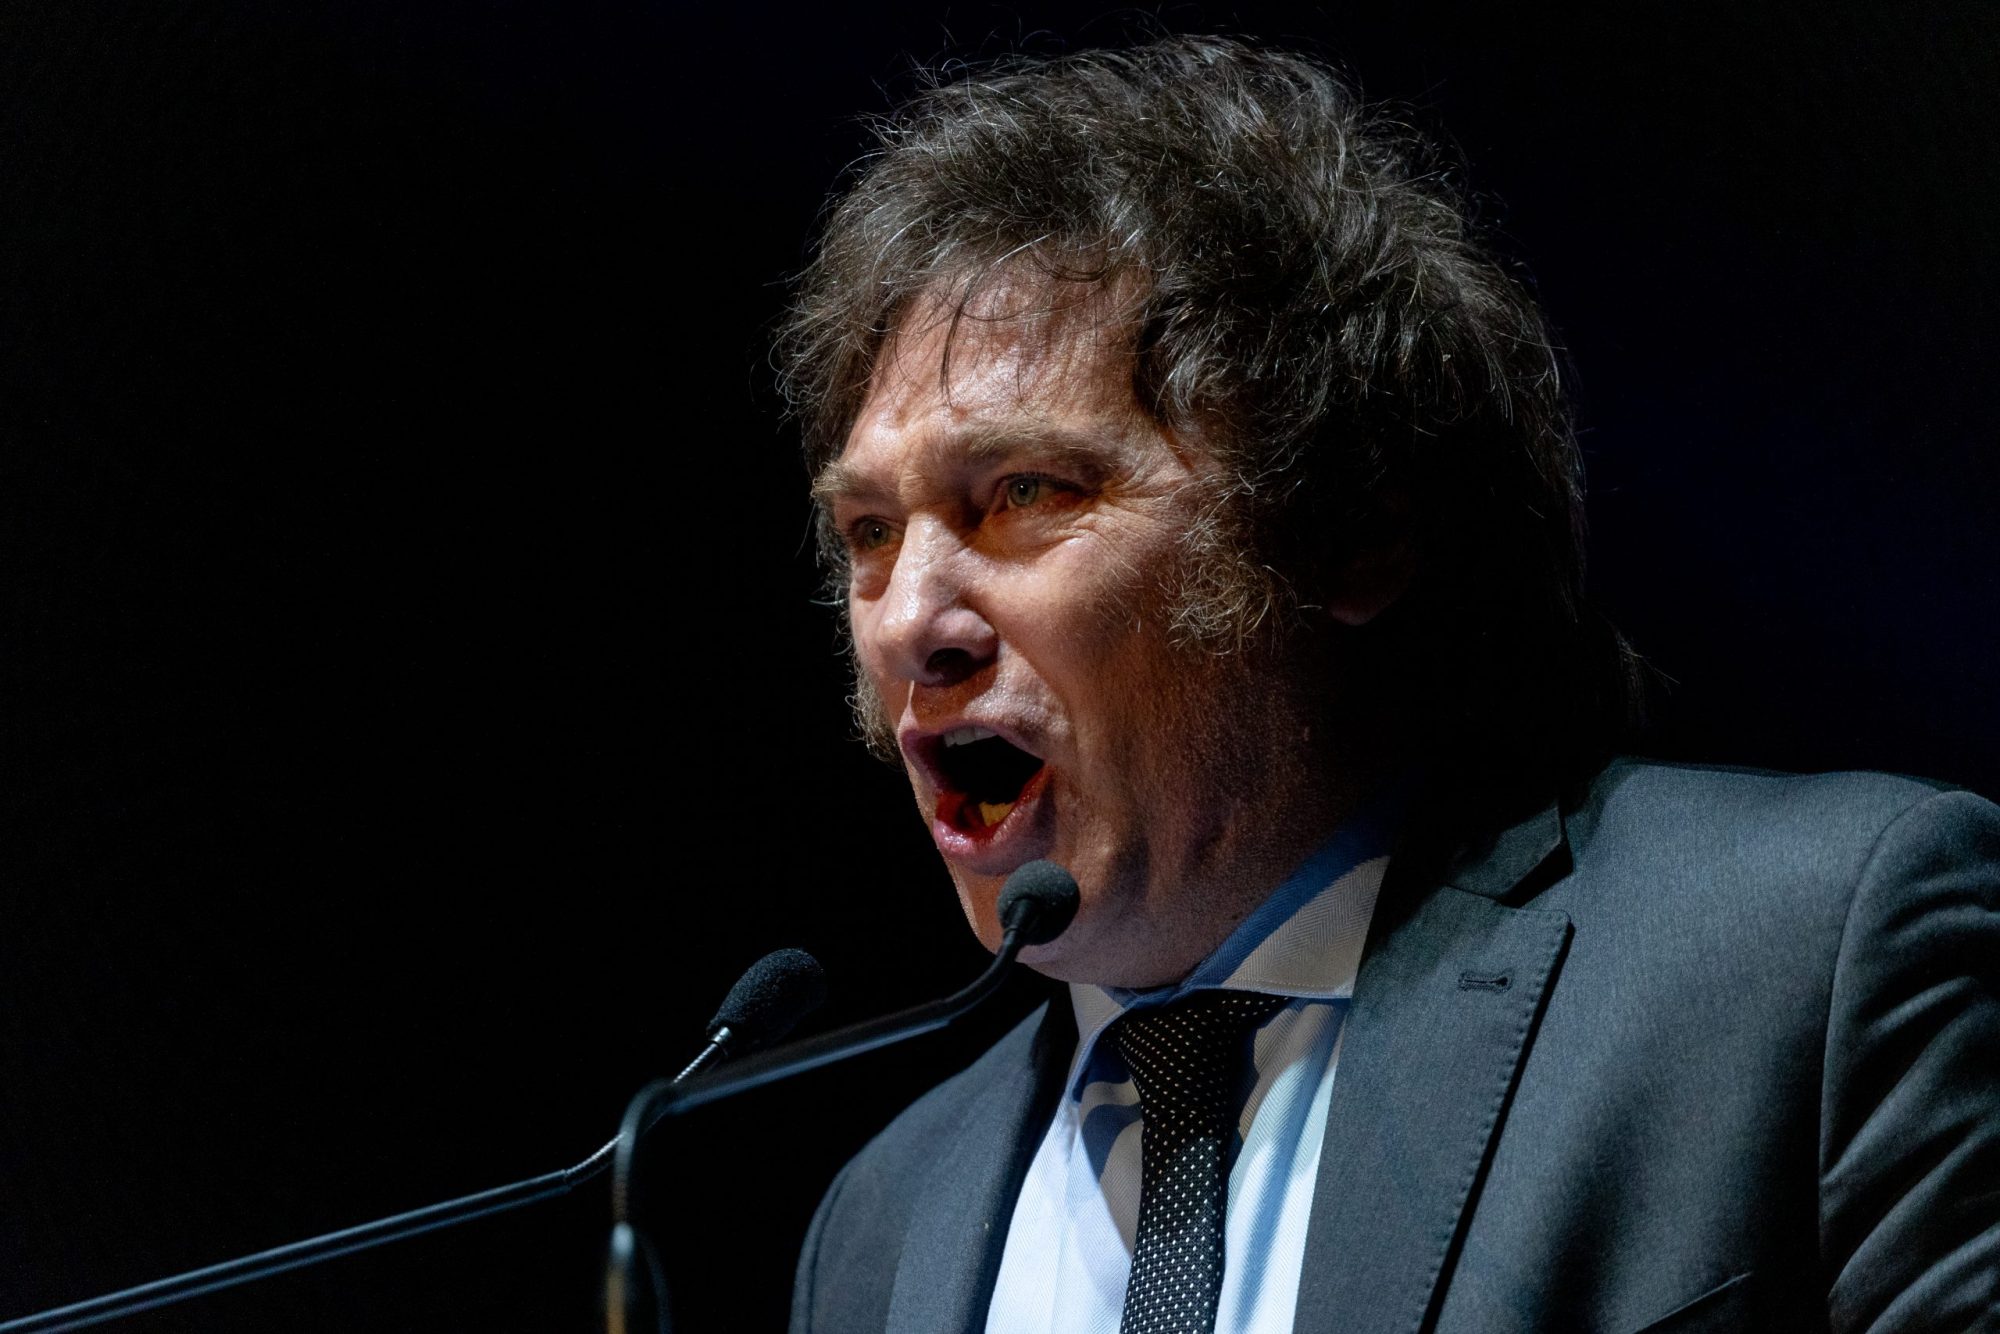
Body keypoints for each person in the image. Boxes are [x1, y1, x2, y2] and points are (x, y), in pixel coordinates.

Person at [777, 37, 2000, 1334]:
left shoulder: (1808, 960)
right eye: (869, 532)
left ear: (1344, 531)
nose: (907, 621)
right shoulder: (877, 1224)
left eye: (1025, 493)